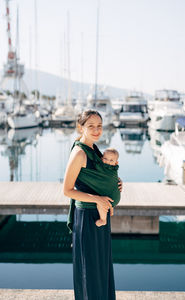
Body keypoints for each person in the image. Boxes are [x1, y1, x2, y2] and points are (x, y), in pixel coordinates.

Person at [63, 110, 122, 300]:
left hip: (98, 214)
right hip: (87, 218)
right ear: (81, 128)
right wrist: (97, 199)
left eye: (99, 126)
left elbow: (100, 175)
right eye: (91, 126)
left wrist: (116, 182)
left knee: (100, 268)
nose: (96, 130)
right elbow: (67, 190)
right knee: (89, 272)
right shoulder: (79, 153)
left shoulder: (94, 148)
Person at [96, 148, 119, 227]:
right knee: (104, 201)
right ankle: (111, 209)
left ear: (116, 163)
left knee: (101, 203)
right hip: (113, 195)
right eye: (105, 159)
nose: (108, 162)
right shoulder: (114, 168)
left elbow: (98, 168)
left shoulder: (109, 169)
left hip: (112, 197)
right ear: (102, 158)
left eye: (111, 160)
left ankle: (103, 219)